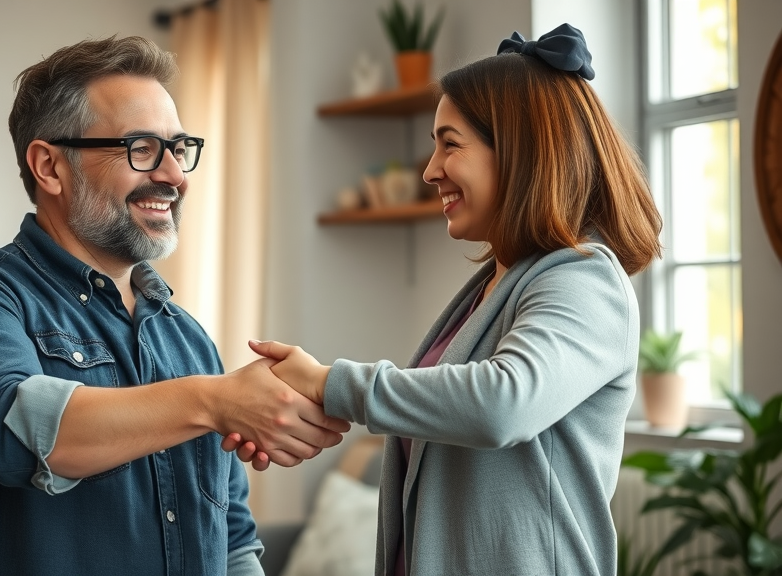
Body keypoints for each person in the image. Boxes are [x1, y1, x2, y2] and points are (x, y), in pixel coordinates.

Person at [0, 35, 349, 576]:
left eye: (178, 149)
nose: (175, 176)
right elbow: (6, 434)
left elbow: (232, 540)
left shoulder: (187, 338)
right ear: (49, 166)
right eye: (141, 148)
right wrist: (214, 401)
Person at [226, 23, 662, 576]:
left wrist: (329, 384)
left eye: (449, 144)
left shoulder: (584, 279)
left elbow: (503, 403)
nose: (430, 170)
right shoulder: (492, 289)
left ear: (521, 153)